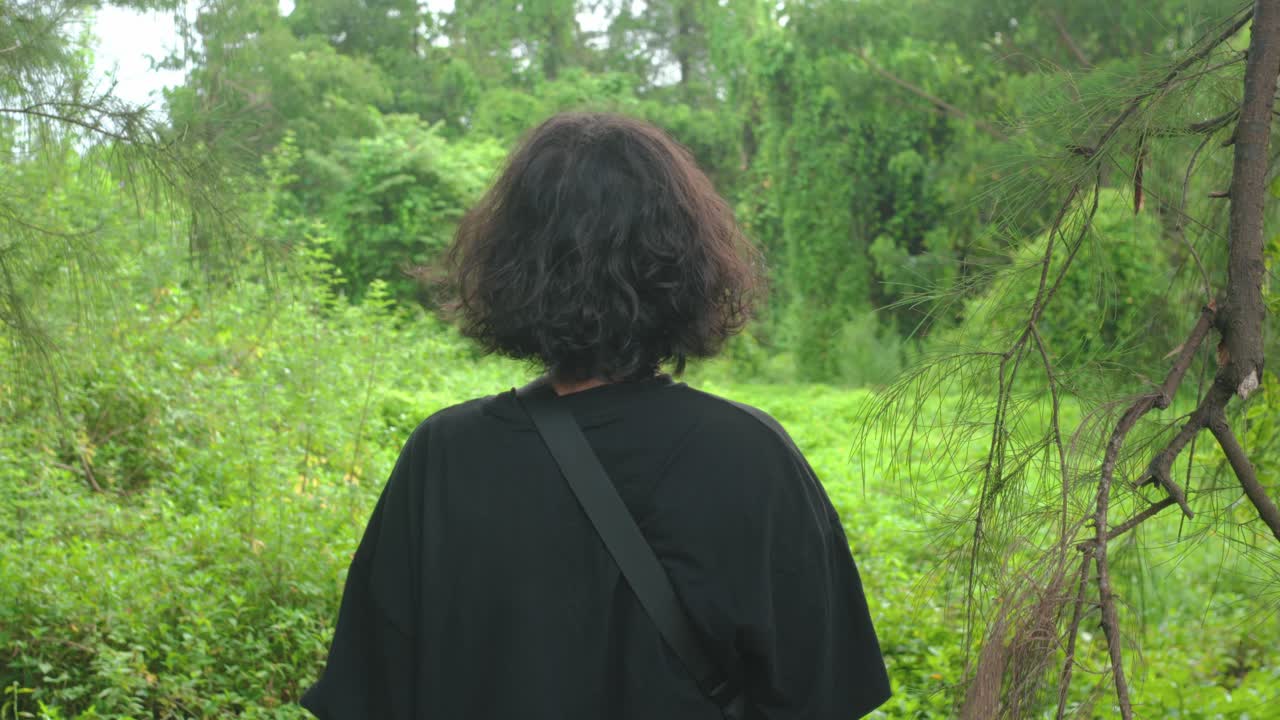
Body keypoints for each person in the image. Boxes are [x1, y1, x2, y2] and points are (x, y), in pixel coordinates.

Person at [300, 112, 891, 719]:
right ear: (686, 263)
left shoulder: (442, 457)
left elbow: (368, 697)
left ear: (511, 265)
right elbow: (826, 698)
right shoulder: (754, 458)